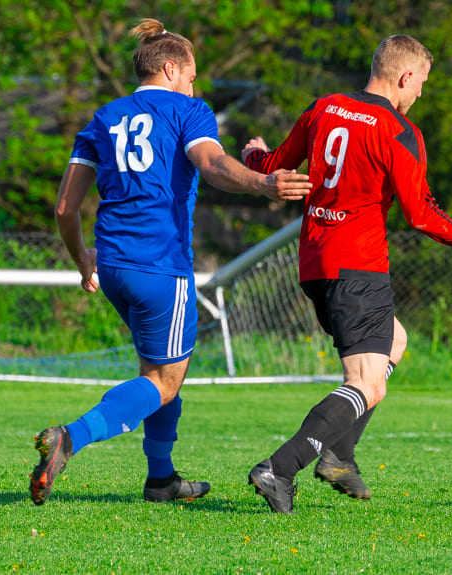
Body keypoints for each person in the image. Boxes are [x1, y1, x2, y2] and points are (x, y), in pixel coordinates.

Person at [29, 18, 311, 506]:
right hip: (160, 265)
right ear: (170, 67)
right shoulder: (189, 111)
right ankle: (70, 438)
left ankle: (160, 479)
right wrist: (263, 183)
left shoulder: (101, 119)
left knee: (158, 371)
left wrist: (83, 262)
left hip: (113, 266)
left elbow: (64, 208)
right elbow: (211, 163)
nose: (194, 84)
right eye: (192, 74)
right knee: (164, 380)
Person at [241, 34, 452, 513]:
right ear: (406, 76)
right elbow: (422, 215)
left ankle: (339, 456)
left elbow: (276, 166)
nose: (421, 95)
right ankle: (280, 467)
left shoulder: (324, 108)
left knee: (395, 342)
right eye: (422, 83)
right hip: (358, 265)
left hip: (316, 260)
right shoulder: (396, 130)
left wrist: (251, 157)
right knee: (367, 382)